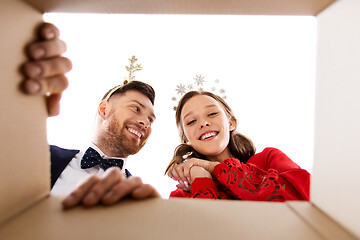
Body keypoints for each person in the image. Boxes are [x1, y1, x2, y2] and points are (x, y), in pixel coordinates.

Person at [21, 22, 159, 208]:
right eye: (136, 108)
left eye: (151, 119)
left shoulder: (141, 201)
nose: (145, 122)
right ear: (104, 109)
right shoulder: (41, 157)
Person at [166, 91, 310, 201]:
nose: (204, 123)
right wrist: (202, 180)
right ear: (186, 139)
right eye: (191, 121)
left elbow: (304, 197)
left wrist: (212, 167)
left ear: (230, 123)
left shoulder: (269, 159)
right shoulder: (181, 196)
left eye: (212, 113)